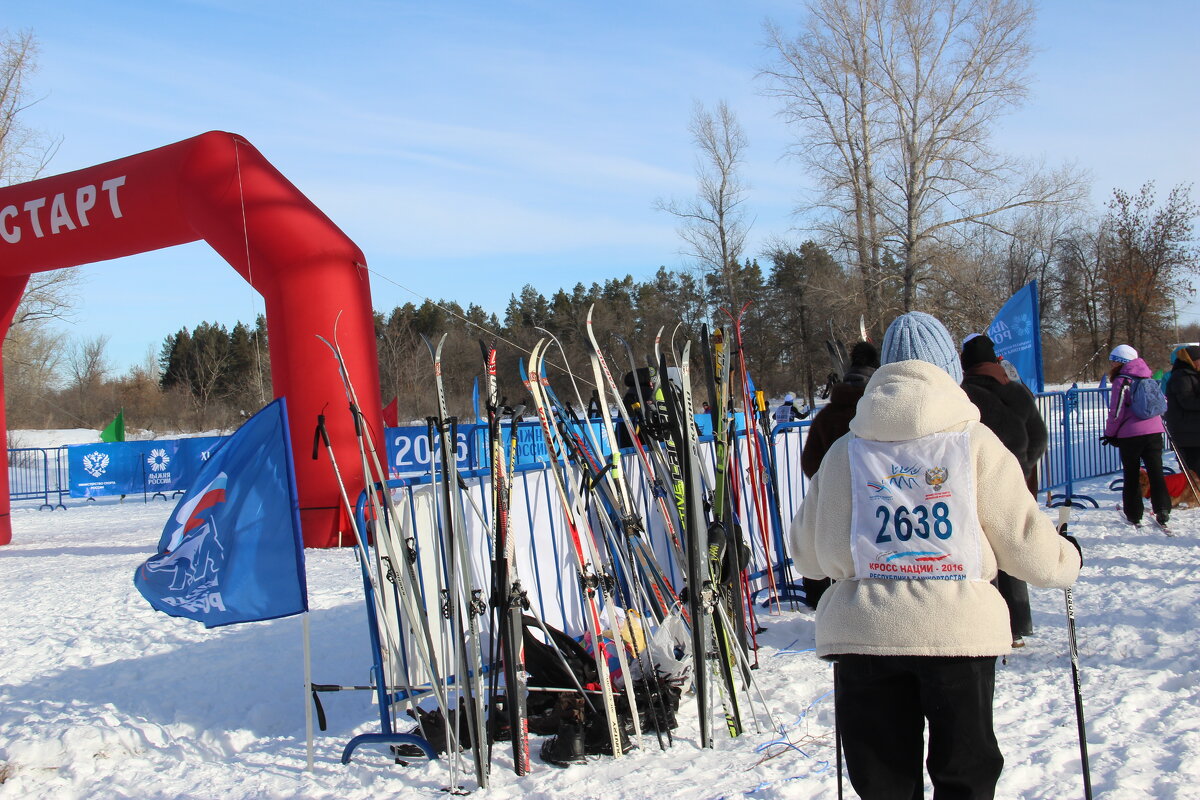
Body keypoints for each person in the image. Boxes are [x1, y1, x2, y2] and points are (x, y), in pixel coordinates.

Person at [790, 311, 1081, 800]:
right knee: (964, 776)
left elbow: (808, 555)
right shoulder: (976, 442)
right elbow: (1028, 547)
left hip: (865, 636)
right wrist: (1067, 557)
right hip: (956, 636)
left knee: (883, 783)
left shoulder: (845, 450)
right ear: (949, 369)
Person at [960, 333, 1049, 648]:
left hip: (977, 486)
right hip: (1016, 487)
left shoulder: (964, 395)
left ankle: (993, 625)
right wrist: (1021, 470)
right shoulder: (1018, 392)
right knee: (1012, 548)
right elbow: (1038, 436)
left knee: (983, 554)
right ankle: (1019, 622)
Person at [798, 341, 879, 609]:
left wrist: (828, 482)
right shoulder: (878, 413)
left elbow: (810, 462)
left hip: (834, 509)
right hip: (879, 506)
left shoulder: (826, 416)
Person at [1104, 344, 1171, 526]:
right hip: (1155, 431)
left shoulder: (1122, 381)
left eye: (1113, 361)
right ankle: (1163, 508)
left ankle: (1134, 513)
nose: (1111, 365)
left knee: (1131, 474)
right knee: (1156, 471)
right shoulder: (1147, 377)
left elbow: (1116, 411)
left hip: (1131, 435)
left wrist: (1110, 434)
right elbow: (1161, 402)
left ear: (1120, 362)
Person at [1165, 345, 1200, 475]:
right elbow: (1187, 401)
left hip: (1193, 432)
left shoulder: (1193, 375)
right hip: (1187, 434)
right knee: (1193, 472)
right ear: (1192, 360)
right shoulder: (1181, 376)